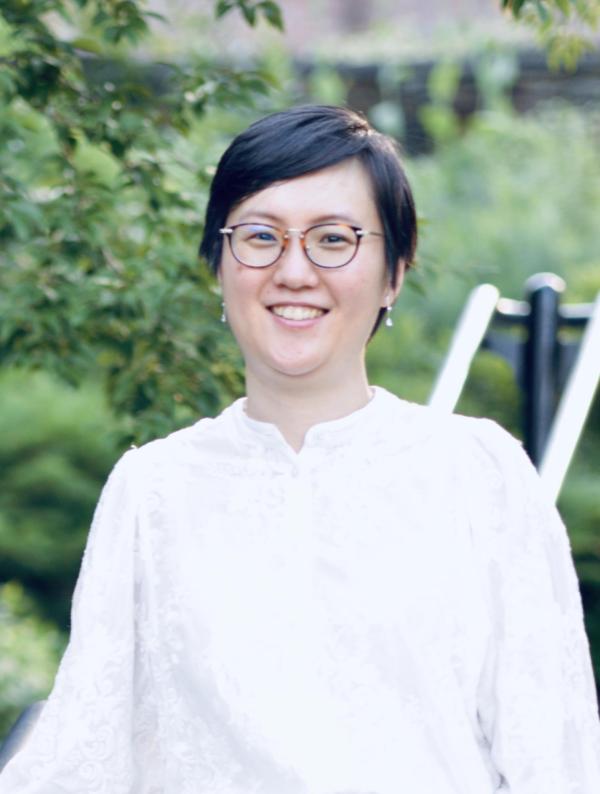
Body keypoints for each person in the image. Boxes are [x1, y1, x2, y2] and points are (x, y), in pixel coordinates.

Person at [0, 104, 599, 794]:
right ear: (219, 267)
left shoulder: (479, 475)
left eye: (334, 239)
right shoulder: (152, 490)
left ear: (394, 273)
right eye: (260, 237)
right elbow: (88, 751)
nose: (293, 270)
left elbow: (554, 757)